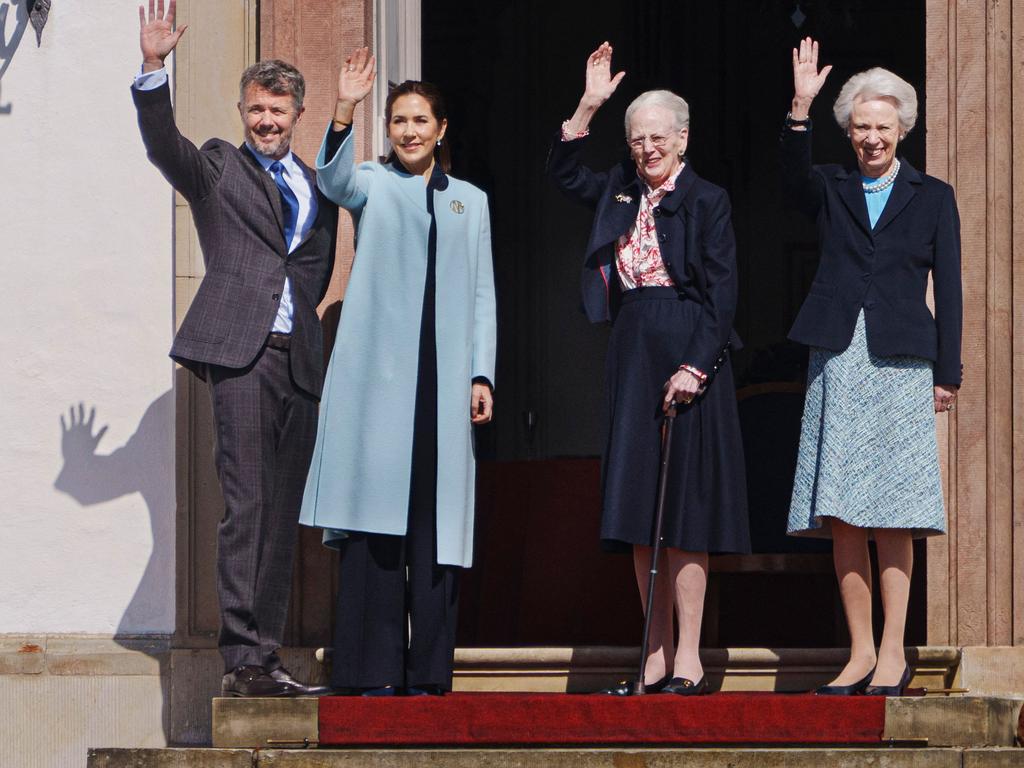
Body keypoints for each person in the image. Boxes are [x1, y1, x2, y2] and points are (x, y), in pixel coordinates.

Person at [133, 0, 337, 697]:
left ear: (296, 113)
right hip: (240, 356)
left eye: (278, 111)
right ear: (244, 111)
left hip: (298, 360)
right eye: (257, 110)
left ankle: (267, 657)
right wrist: (154, 67)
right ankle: (241, 661)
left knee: (281, 516)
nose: (268, 121)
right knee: (246, 505)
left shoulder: (316, 186)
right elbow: (167, 148)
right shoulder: (219, 167)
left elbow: (310, 267)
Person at [548, 43, 750, 696]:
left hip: (692, 350)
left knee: (685, 509)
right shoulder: (618, 187)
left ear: (682, 138)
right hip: (633, 346)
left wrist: (696, 366)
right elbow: (561, 172)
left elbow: (723, 295)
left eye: (657, 138)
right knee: (639, 507)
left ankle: (690, 658)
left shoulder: (708, 199)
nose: (646, 149)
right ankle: (654, 656)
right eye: (637, 139)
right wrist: (587, 106)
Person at [299, 48, 497, 696]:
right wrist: (344, 108)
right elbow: (332, 182)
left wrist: (482, 375)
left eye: (420, 120)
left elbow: (481, 298)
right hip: (381, 389)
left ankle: (428, 678)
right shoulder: (372, 182)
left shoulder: (471, 202)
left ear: (441, 129)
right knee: (376, 533)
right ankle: (370, 674)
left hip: (443, 389)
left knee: (434, 536)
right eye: (399, 121)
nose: (409, 130)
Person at [782, 38, 962, 696]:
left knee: (893, 510)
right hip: (839, 356)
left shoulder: (933, 195)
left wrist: (949, 372)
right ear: (849, 132)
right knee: (844, 513)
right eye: (861, 126)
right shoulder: (831, 186)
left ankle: (893, 652)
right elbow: (789, 178)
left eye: (883, 126)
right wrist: (800, 107)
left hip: (902, 359)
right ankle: (858, 652)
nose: (872, 137)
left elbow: (954, 284)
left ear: (902, 129)